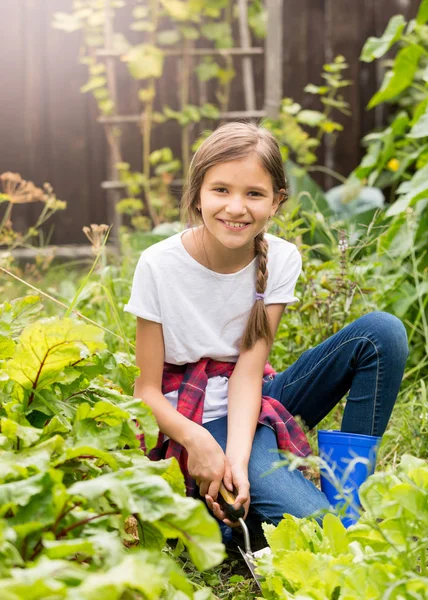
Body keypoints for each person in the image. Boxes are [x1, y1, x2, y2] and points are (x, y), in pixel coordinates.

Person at [124, 121, 409, 539]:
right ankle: (253, 517)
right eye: (221, 190)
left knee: (381, 333)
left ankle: (348, 501)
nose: (236, 208)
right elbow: (145, 391)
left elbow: (247, 372)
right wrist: (200, 442)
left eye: (253, 194)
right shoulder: (158, 264)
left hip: (254, 396)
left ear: (275, 203)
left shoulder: (281, 257)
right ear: (197, 195)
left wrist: (237, 459)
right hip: (192, 414)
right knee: (317, 530)